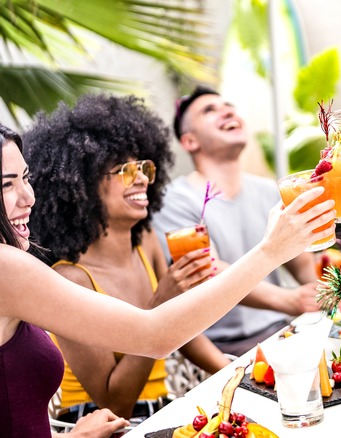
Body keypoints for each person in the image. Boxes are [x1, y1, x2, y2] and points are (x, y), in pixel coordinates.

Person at [0, 122, 334, 436]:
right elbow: (155, 336)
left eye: (26, 178)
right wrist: (270, 252)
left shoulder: (143, 242)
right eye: (6, 184)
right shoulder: (11, 267)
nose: (28, 197)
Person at [24, 94, 232, 423]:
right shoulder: (71, 278)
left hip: (164, 412)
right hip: (103, 422)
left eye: (144, 167)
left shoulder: (145, 242)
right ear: (82, 185)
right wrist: (161, 301)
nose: (142, 179)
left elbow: (184, 333)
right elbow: (114, 402)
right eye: (124, 170)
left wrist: (236, 371)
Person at [153, 87, 321, 357]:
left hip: (284, 330)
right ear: (189, 141)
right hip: (226, 349)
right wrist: (289, 299)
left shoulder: (268, 190)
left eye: (228, 105)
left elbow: (298, 257)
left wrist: (320, 293)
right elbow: (207, 269)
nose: (227, 111)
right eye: (210, 110)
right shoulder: (174, 200)